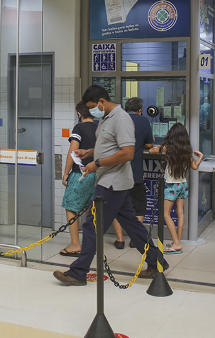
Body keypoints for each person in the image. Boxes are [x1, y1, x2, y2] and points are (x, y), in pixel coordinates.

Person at [53, 85, 168, 286]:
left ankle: (78, 272)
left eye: (92, 106)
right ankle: (157, 260)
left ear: (102, 102)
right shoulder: (106, 119)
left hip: (112, 182)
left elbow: (127, 153)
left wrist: (97, 163)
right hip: (114, 181)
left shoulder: (121, 119)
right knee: (132, 225)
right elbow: (107, 147)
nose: (91, 111)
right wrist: (88, 153)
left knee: (91, 225)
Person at [149, 123, 203, 253]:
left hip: (172, 185)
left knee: (166, 214)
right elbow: (195, 167)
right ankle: (176, 241)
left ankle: (177, 244)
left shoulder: (168, 148)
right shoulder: (187, 151)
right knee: (180, 212)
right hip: (183, 185)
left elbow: (151, 151)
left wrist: (159, 146)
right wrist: (200, 157)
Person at [112, 97, 154, 249]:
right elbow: (149, 144)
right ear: (140, 110)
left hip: (117, 172)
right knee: (139, 206)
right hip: (136, 173)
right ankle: (135, 238)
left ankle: (120, 239)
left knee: (116, 206)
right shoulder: (143, 121)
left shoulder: (117, 120)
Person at [59, 102, 98, 256]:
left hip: (81, 173)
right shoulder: (99, 129)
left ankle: (75, 244)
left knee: (71, 207)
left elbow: (73, 152)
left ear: (79, 114)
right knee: (92, 208)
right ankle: (91, 243)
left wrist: (66, 173)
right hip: (98, 172)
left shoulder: (79, 128)